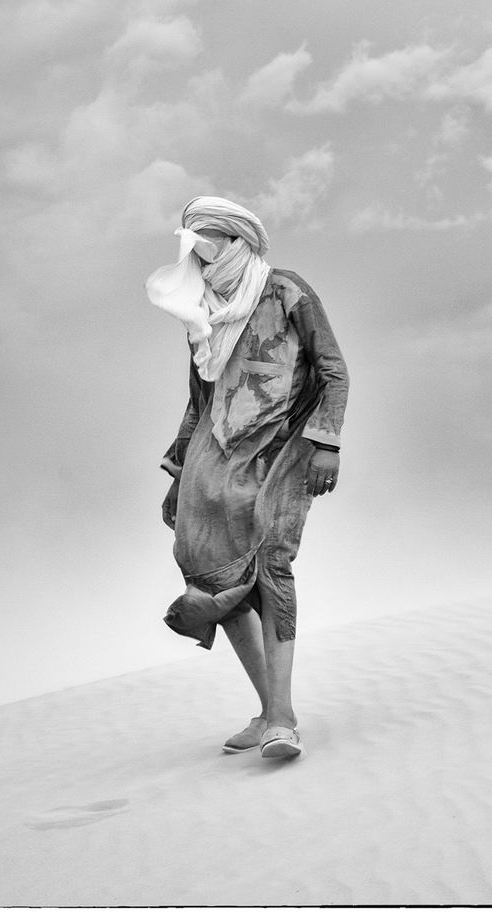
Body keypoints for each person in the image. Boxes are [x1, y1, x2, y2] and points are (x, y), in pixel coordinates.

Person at [146, 196, 349, 760]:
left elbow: (333, 369)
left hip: (284, 449)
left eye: (213, 249)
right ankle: (268, 713)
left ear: (238, 244)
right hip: (214, 458)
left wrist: (327, 442)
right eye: (198, 253)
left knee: (272, 566)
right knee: (213, 577)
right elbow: (200, 401)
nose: (205, 264)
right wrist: (179, 473)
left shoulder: (286, 290)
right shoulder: (201, 312)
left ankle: (283, 719)